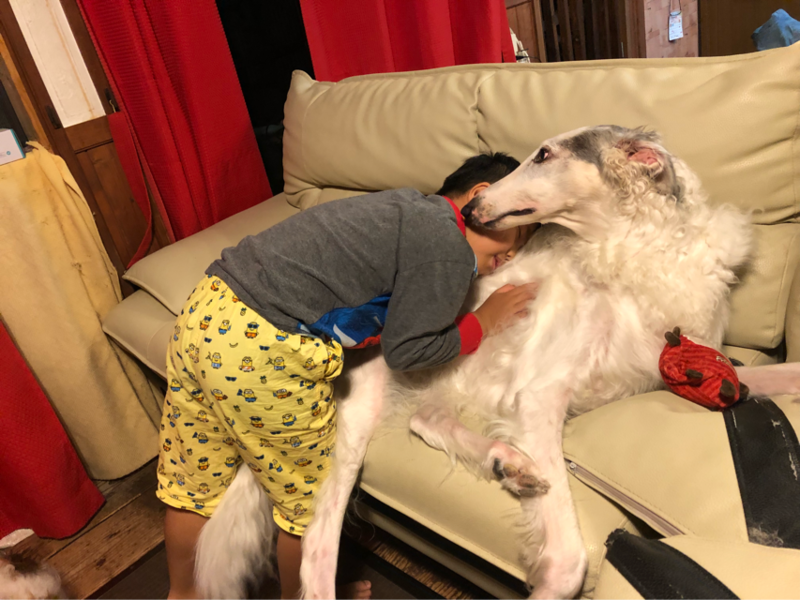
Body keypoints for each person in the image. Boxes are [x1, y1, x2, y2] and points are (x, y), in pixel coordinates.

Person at [158, 153, 538, 600]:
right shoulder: (449, 245)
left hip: (205, 312)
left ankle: (183, 593)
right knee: (309, 507)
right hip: (263, 349)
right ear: (482, 199)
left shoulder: (400, 209)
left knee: (193, 482)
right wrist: (484, 319)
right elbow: (409, 352)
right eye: (518, 233)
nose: (513, 255)